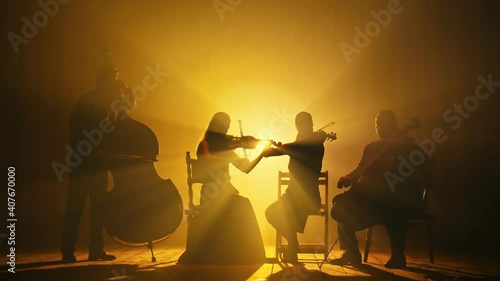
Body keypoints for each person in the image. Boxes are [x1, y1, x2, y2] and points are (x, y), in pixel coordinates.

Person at [330, 110, 428, 269]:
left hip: (400, 197)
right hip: (374, 200)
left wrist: (402, 143)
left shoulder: (409, 143)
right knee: (340, 206)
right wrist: (349, 177)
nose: (379, 128)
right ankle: (352, 252)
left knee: (393, 204)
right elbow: (360, 169)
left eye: (382, 124)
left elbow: (423, 161)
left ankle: (397, 255)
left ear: (393, 125)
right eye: (376, 124)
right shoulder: (372, 147)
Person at [177, 112, 269, 265]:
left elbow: (245, 169)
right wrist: (233, 158)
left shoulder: (227, 148)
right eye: (224, 126)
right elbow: (208, 159)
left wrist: (262, 154)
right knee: (243, 204)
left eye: (228, 126)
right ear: (216, 126)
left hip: (225, 192)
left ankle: (244, 254)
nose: (226, 130)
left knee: (243, 203)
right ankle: (243, 253)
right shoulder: (204, 144)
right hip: (210, 194)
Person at [60, 55, 123, 263]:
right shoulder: (93, 102)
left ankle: (87, 249)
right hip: (87, 162)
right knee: (80, 208)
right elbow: (84, 128)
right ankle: (73, 250)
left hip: (90, 163)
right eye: (111, 79)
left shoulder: (101, 101)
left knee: (92, 208)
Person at [263, 112, 328, 264]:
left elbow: (287, 149)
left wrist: (272, 150)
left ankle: (292, 246)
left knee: (285, 211)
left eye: (303, 125)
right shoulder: (302, 144)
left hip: (309, 199)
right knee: (272, 212)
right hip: (292, 195)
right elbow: (291, 148)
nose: (300, 128)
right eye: (298, 126)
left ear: (311, 125)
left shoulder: (314, 146)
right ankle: (293, 243)